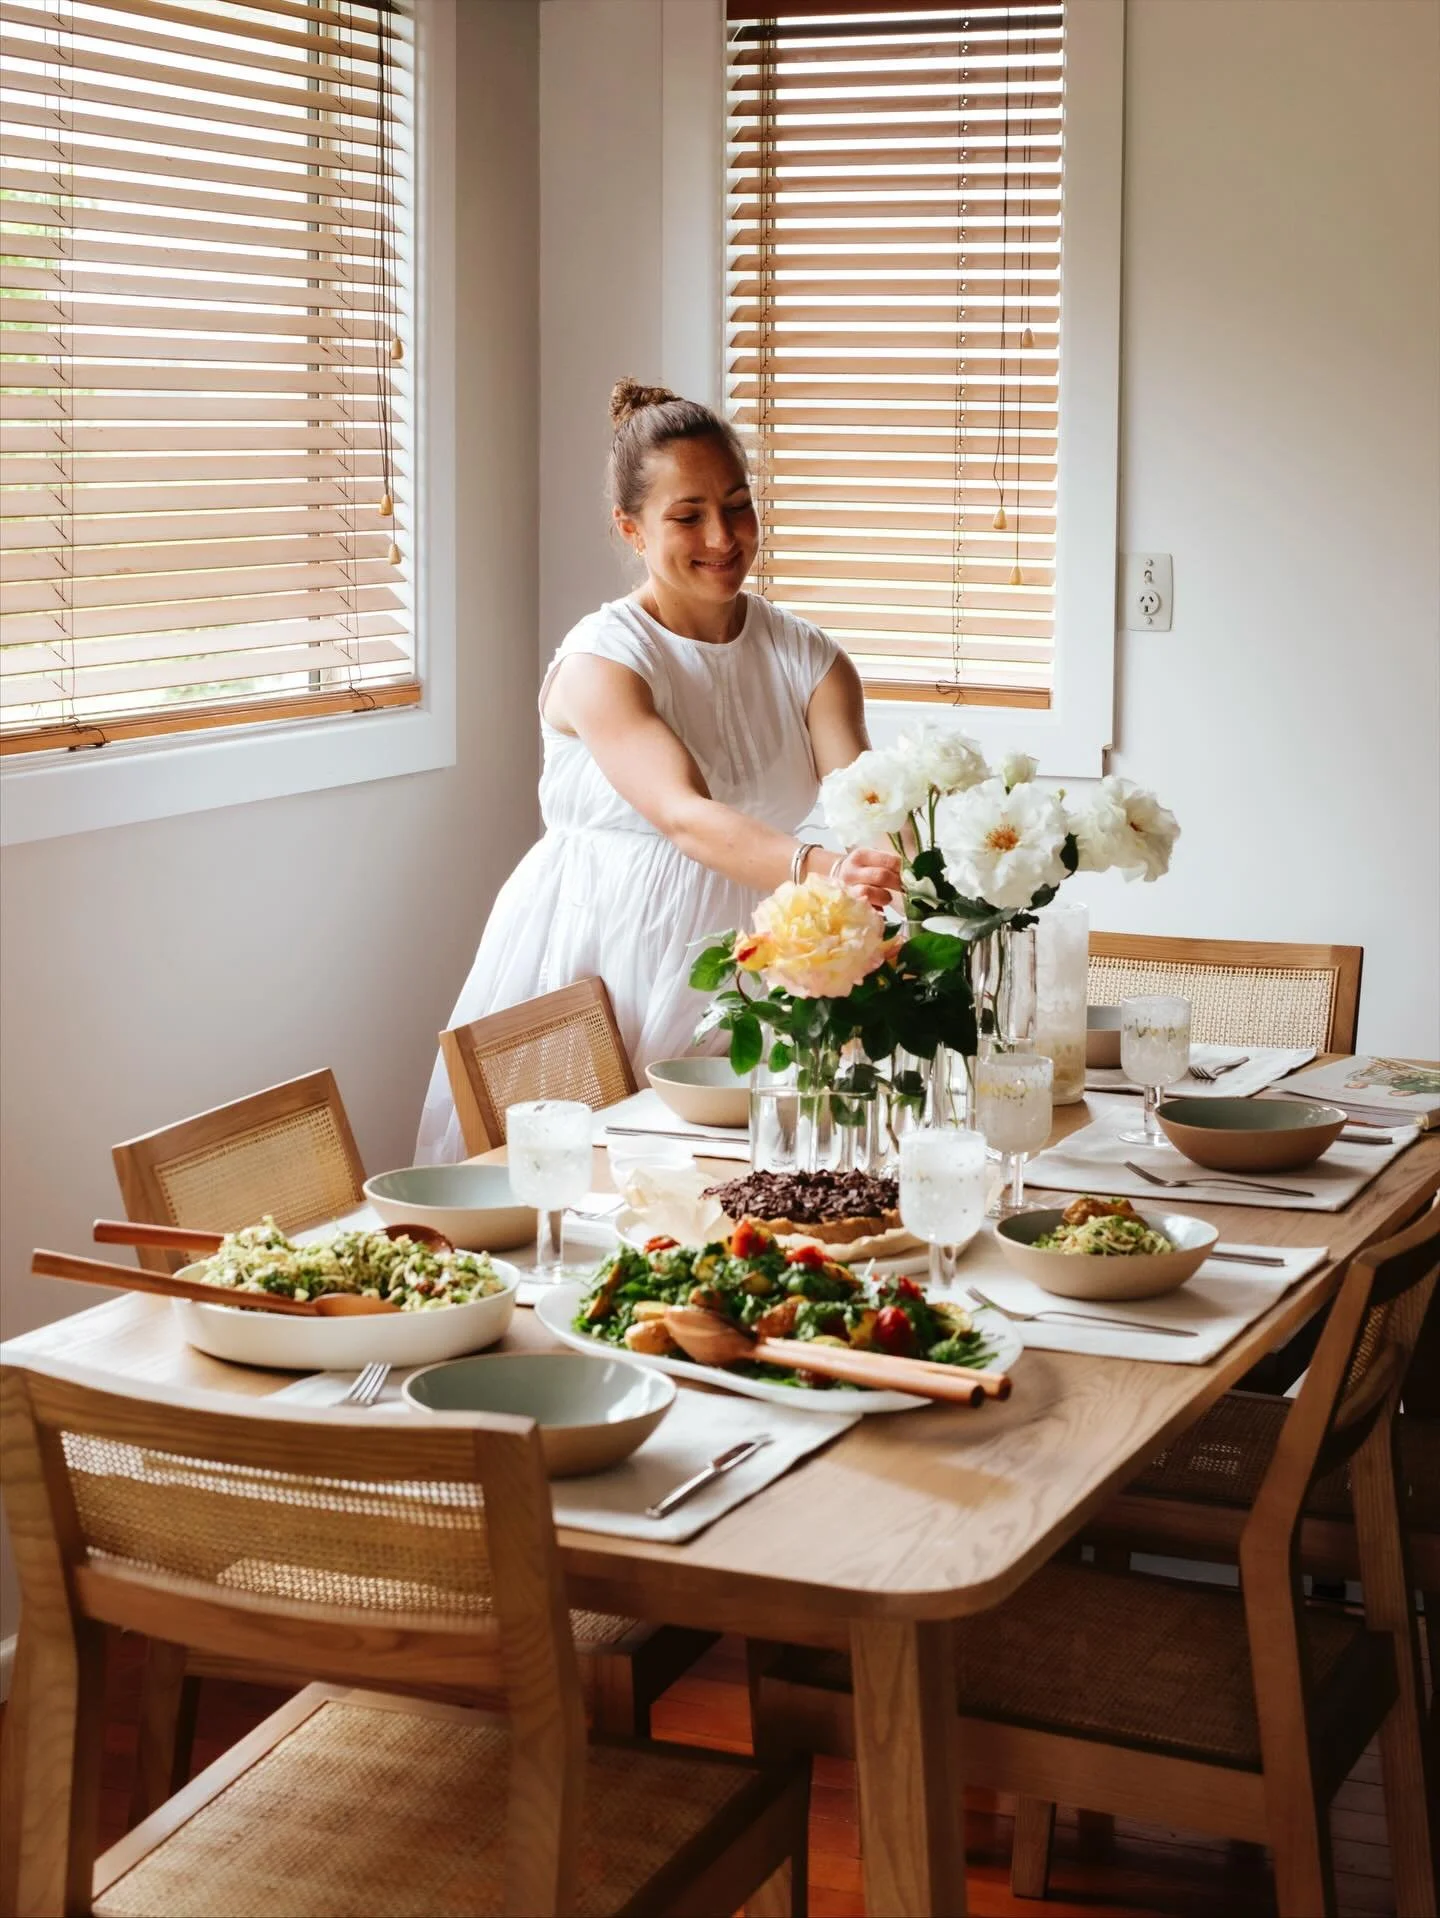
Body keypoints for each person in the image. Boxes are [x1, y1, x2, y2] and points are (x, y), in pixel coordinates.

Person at [414, 378, 902, 1164]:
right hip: (600, 958)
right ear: (630, 528)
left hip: (751, 962)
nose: (723, 536)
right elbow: (682, 813)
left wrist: (903, 876)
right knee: (579, 1186)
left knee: (755, 1186)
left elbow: (868, 805)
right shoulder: (602, 659)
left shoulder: (810, 658)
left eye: (737, 505)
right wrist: (830, 868)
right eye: (687, 515)